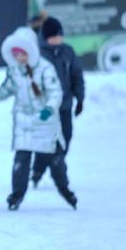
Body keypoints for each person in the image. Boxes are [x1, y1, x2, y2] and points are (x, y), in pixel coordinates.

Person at [0, 27, 77, 211]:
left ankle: (65, 189)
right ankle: (16, 195)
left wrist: (48, 109)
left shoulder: (45, 68)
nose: (20, 57)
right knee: (21, 161)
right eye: (16, 54)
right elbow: (7, 89)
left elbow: (55, 92)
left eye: (22, 53)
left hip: (45, 123)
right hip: (24, 124)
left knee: (56, 161)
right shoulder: (14, 71)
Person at [31, 17, 85, 187]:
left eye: (60, 36)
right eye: (55, 37)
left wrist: (80, 99)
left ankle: (57, 164)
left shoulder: (67, 51)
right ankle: (38, 170)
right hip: (45, 107)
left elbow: (77, 76)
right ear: (46, 37)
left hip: (65, 105)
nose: (58, 40)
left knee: (66, 136)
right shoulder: (37, 54)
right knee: (45, 140)